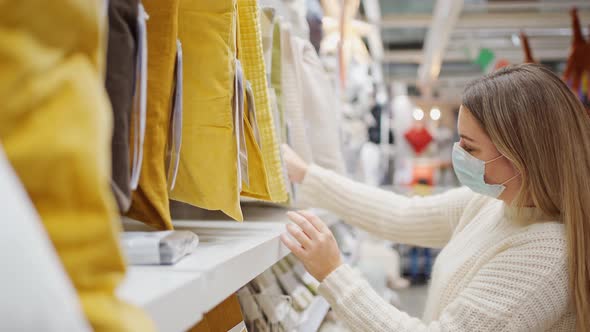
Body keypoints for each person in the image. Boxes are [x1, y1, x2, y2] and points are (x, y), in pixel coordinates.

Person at [280, 64, 589, 331]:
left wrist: (334, 273)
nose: (458, 155)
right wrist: (307, 175)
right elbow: (400, 214)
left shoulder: (548, 255)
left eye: (469, 147)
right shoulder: (493, 202)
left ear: (520, 154)